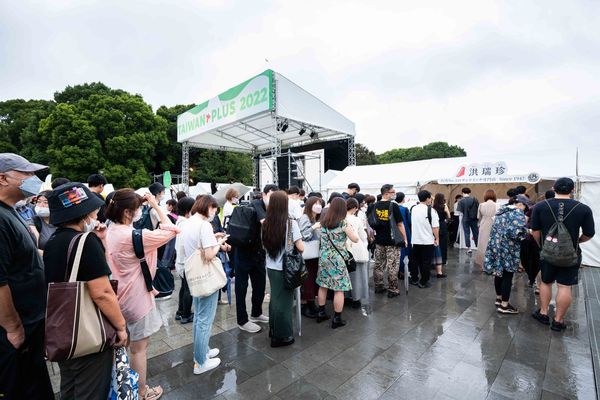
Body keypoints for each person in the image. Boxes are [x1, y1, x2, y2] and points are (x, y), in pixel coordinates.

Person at [44, 182, 128, 399]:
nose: (95, 212)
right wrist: (121, 327)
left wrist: (100, 241)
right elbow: (102, 292)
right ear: (83, 212)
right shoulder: (84, 241)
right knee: (90, 391)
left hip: (63, 331)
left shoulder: (53, 240)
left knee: (69, 389)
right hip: (87, 335)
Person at [105, 189, 179, 400]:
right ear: (128, 212)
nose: (140, 212)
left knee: (122, 346)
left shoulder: (109, 231)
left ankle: (120, 385)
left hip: (116, 297)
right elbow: (172, 229)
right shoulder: (135, 236)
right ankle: (141, 391)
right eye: (138, 209)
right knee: (139, 349)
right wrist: (155, 205)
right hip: (136, 299)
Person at [0, 153, 54, 399]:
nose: (35, 179)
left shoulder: (10, 211)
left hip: (30, 321)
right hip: (17, 328)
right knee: (23, 387)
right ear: (3, 179)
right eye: (28, 174)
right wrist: (13, 327)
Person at [531, 177, 595, 331]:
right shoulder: (583, 209)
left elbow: (535, 231)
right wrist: (576, 242)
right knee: (564, 286)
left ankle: (544, 313)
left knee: (545, 282)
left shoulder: (540, 206)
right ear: (572, 190)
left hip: (547, 252)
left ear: (554, 188)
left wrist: (542, 246)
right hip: (571, 254)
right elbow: (589, 233)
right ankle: (558, 321)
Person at [178, 195, 230, 373]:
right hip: (206, 275)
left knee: (199, 317)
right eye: (214, 208)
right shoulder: (204, 224)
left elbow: (194, 246)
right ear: (207, 207)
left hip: (194, 272)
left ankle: (202, 351)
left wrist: (212, 239)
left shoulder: (188, 222)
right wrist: (219, 242)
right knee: (204, 319)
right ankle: (200, 362)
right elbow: (209, 254)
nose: (215, 212)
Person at [233, 184, 278, 333]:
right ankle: (242, 320)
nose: (272, 200)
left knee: (259, 285)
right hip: (243, 253)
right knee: (241, 287)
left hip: (258, 253)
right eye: (271, 196)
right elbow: (264, 223)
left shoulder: (269, 208)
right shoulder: (257, 204)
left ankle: (256, 313)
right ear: (264, 194)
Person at [262, 191, 303, 347]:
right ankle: (282, 336)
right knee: (284, 303)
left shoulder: (265, 223)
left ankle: (273, 329)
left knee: (275, 299)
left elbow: (263, 245)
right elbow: (301, 247)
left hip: (271, 267)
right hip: (285, 269)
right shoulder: (290, 223)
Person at [316, 197, 359, 328]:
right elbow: (355, 239)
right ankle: (337, 319)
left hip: (323, 257)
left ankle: (321, 313)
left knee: (323, 285)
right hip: (337, 260)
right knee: (338, 289)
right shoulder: (343, 223)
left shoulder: (323, 222)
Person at [484, 196, 529, 314]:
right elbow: (516, 233)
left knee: (499, 273)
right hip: (509, 248)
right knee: (507, 275)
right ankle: (505, 305)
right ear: (520, 204)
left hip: (496, 246)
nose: (524, 209)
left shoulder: (501, 211)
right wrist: (526, 232)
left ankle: (499, 298)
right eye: (525, 206)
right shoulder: (518, 213)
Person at [370, 184, 407, 298]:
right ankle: (393, 289)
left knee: (378, 264)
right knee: (393, 265)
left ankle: (379, 286)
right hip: (392, 241)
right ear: (386, 193)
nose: (394, 194)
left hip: (379, 240)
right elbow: (400, 224)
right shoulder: (393, 206)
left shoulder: (374, 206)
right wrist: (404, 238)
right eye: (393, 192)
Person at [297, 196, 324, 318]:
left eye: (320, 203)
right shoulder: (305, 217)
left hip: (314, 255)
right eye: (316, 203)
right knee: (307, 280)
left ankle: (311, 304)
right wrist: (314, 227)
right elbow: (303, 235)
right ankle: (306, 306)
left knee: (312, 279)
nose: (319, 205)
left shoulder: (315, 218)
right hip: (307, 255)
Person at [409, 190, 439, 288]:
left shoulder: (413, 209)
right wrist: (437, 238)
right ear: (427, 199)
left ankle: (414, 278)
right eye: (430, 198)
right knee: (425, 262)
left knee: (414, 260)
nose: (431, 200)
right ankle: (423, 281)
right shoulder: (431, 211)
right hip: (427, 241)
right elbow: (435, 227)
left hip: (415, 240)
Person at [174, 196, 196, 324]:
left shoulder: (180, 221)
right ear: (189, 210)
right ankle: (186, 315)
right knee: (188, 289)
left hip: (180, 261)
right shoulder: (187, 223)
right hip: (186, 261)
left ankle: (180, 311)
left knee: (183, 287)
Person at [346, 198, 370, 309]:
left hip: (344, 251)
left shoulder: (340, 218)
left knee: (346, 275)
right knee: (358, 275)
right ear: (355, 208)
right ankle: (356, 299)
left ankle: (346, 297)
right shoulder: (356, 219)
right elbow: (363, 235)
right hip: (357, 250)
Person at [475, 189, 498, 269]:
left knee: (483, 245)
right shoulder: (497, 205)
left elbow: (478, 217)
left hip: (484, 224)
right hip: (494, 225)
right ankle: (493, 264)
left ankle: (483, 265)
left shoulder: (481, 205)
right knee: (494, 244)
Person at [431, 193, 449, 278]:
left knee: (435, 244)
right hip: (442, 225)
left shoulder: (432, 207)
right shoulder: (444, 206)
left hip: (434, 226)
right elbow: (448, 216)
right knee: (443, 244)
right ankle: (443, 260)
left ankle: (433, 261)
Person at [457, 187, 479, 253]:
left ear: (462, 192)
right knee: (476, 233)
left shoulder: (461, 201)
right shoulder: (475, 199)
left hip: (465, 219)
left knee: (467, 233)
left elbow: (459, 212)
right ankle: (477, 247)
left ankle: (469, 248)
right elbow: (478, 208)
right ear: (469, 192)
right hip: (474, 219)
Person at [395, 192, 412, 279]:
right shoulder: (405, 209)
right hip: (405, 232)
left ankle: (398, 271)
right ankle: (403, 271)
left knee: (397, 252)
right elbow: (409, 222)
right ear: (403, 199)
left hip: (395, 233)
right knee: (405, 252)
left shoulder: (393, 208)